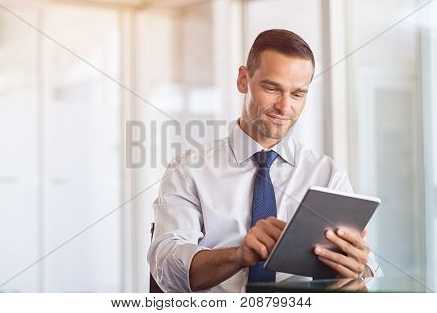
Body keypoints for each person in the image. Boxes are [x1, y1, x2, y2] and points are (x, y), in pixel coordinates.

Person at [147, 29, 383, 293]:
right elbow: (167, 269)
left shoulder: (326, 174)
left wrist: (358, 267)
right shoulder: (188, 170)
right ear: (243, 80)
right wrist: (239, 255)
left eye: (298, 94)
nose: (284, 107)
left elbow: (368, 271)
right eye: (272, 88)